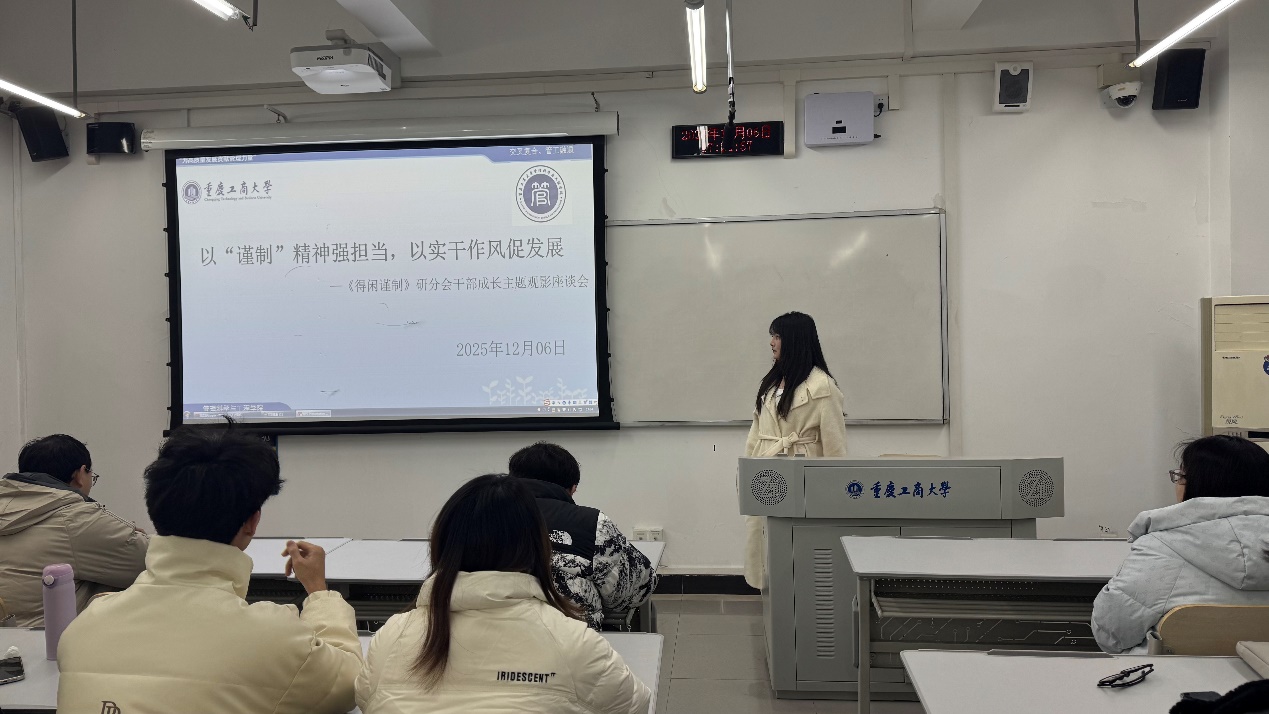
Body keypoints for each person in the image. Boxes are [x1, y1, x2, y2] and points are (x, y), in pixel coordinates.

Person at [57, 425, 362, 714]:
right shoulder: (274, 640)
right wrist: (319, 592)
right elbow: (351, 682)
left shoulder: (83, 628)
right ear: (252, 522)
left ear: (156, 509)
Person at [356, 474, 651, 714]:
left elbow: (365, 699)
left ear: (443, 544)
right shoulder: (573, 642)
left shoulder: (392, 636)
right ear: (537, 546)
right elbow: (636, 705)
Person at [1091, 435, 1269, 653]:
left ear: (1199, 484)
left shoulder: (1158, 548)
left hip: (1173, 674)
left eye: (1181, 476)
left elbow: (1111, 634)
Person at [744, 311, 847, 589]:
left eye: (777, 336)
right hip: (766, 473)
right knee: (766, 543)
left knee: (797, 548)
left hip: (802, 475)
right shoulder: (771, 383)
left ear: (794, 340)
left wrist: (834, 494)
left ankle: (797, 599)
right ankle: (772, 599)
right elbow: (756, 434)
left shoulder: (822, 386)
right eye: (772, 336)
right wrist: (747, 470)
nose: (771, 342)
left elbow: (835, 446)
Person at [0, 434, 148, 627]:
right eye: (91, 475)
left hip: (11, 638)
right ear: (80, 474)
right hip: (49, 642)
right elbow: (155, 561)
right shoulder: (77, 520)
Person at [509, 442, 657, 630]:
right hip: (569, 638)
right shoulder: (591, 523)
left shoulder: (478, 516)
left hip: (484, 635)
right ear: (572, 489)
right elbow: (636, 590)